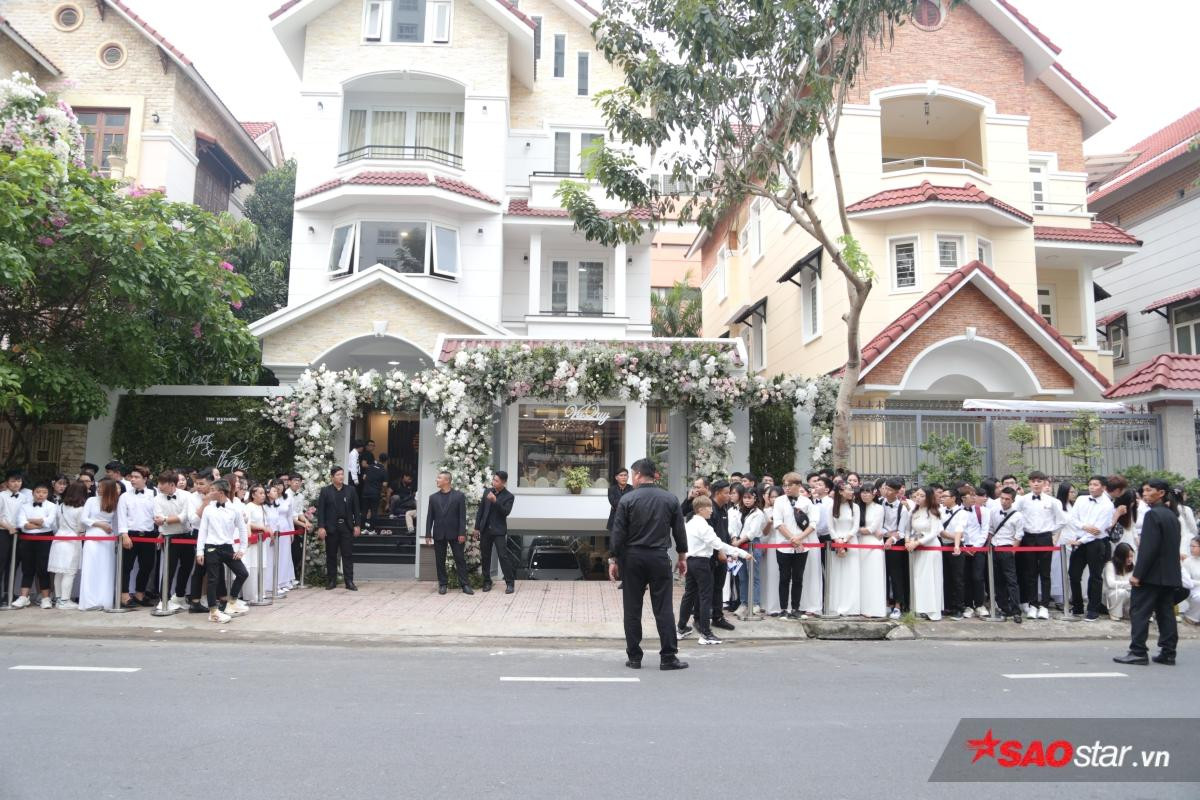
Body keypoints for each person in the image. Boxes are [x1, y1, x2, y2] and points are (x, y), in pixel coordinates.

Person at [609, 458, 689, 671]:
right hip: (659, 556)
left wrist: (614, 559)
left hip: (633, 557)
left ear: (636, 475)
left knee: (632, 608)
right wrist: (682, 556)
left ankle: (634, 657)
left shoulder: (627, 500)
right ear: (654, 475)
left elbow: (618, 534)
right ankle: (668, 656)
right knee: (663, 608)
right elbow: (679, 531)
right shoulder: (670, 499)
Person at [1114, 479, 1182, 666]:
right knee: (1165, 613)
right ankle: (1168, 652)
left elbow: (1149, 549)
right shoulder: (1171, 515)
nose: (1144, 494)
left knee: (1140, 612)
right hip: (1168, 574)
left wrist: (1138, 574)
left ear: (1161, 493)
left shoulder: (1154, 515)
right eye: (1143, 490)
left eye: (1148, 490)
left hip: (1152, 574)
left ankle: (1138, 651)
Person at [677, 495, 752, 645]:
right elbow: (719, 544)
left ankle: (681, 628)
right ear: (701, 509)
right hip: (702, 562)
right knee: (706, 597)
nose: (711, 511)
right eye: (709, 508)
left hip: (691, 561)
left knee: (689, 595)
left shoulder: (690, 523)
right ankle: (705, 633)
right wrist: (742, 553)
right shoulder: (704, 526)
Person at [194, 479, 250, 624]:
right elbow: (203, 531)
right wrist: (200, 551)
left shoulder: (234, 509)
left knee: (243, 573)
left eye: (212, 490)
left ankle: (231, 602)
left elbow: (242, 529)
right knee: (213, 580)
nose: (209, 492)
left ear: (221, 492)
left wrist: (242, 549)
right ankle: (213, 611)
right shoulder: (208, 509)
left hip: (227, 548)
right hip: (211, 547)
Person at [1016, 471, 1066, 620]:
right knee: (1030, 573)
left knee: (1045, 573)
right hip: (1028, 537)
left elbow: (1062, 520)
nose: (1036, 484)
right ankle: (1032, 605)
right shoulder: (1022, 500)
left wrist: (1051, 532)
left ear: (1045, 483)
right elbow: (1014, 516)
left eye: (1039, 481)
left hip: (1045, 537)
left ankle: (1044, 606)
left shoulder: (1053, 501)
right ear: (1029, 483)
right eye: (1033, 481)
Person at [1065, 476, 1116, 621]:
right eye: (1090, 484)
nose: (1092, 487)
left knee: (1095, 576)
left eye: (1095, 485)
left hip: (1096, 543)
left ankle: (1093, 609)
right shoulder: (1081, 499)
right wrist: (1085, 527)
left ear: (1103, 488)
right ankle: (1077, 606)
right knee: (1073, 574)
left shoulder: (1107, 505)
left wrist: (1081, 540)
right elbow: (1072, 519)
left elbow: (1099, 530)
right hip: (1079, 540)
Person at [771, 473, 816, 619]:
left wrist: (799, 539)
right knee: (784, 577)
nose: (787, 488)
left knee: (798, 577)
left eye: (790, 485)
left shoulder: (807, 502)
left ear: (798, 485)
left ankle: (796, 608)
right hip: (784, 546)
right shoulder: (779, 501)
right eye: (785, 485)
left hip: (802, 546)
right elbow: (778, 523)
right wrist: (792, 539)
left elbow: (813, 524)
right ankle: (784, 608)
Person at [115, 466, 157, 607]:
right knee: (126, 566)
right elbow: (121, 517)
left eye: (136, 477)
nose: (133, 479)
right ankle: (124, 596)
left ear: (145, 479)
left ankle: (140, 594)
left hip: (149, 535)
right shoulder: (125, 496)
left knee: (147, 566)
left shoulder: (154, 494)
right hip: (131, 534)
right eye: (131, 477)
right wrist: (124, 535)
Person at [425, 470, 471, 595]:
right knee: (440, 560)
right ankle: (443, 584)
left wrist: (462, 533)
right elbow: (430, 517)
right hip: (439, 533)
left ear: (447, 481)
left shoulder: (459, 496)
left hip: (456, 533)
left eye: (439, 478)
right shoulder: (433, 497)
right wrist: (428, 534)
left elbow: (462, 516)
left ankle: (465, 585)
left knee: (460, 559)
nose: (437, 480)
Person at [14, 482, 58, 608]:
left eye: (44, 492)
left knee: (43, 568)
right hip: (27, 539)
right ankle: (24, 597)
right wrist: (39, 522)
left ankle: (46, 598)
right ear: (33, 492)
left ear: (48, 494)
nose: (41, 495)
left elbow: (48, 523)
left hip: (45, 539)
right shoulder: (24, 506)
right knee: (27, 568)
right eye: (38, 492)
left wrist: (31, 520)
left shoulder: (52, 506)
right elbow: (22, 524)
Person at [77, 479, 120, 610]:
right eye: (98, 486)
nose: (98, 489)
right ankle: (89, 602)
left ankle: (105, 601)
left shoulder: (115, 502)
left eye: (101, 487)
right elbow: (84, 519)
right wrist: (100, 524)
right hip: (92, 535)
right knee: (90, 568)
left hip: (108, 538)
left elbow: (117, 522)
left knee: (105, 569)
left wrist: (116, 534)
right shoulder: (91, 501)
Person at [316, 466, 360, 591]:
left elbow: (356, 509)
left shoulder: (350, 490)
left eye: (342, 474)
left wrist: (357, 525)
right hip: (331, 527)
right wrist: (321, 527)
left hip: (346, 526)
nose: (341, 477)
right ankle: (332, 581)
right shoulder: (325, 491)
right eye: (338, 475)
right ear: (332, 477)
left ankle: (349, 581)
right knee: (331, 555)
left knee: (347, 554)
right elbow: (321, 511)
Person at [152, 470, 190, 613]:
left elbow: (185, 516)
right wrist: (167, 520)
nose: (159, 486)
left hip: (186, 535)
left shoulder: (186, 496)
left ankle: (180, 596)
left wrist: (167, 519)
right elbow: (158, 518)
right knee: (169, 568)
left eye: (162, 483)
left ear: (172, 484)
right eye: (159, 482)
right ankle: (164, 599)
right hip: (169, 537)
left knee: (186, 567)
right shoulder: (157, 499)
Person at [473, 470, 515, 593]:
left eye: (496, 481)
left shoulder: (509, 496)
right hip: (485, 529)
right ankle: (487, 581)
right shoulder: (487, 491)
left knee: (503, 556)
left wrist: (495, 501)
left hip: (499, 531)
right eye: (493, 479)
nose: (493, 482)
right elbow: (480, 511)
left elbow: (506, 512)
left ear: (503, 482)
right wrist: (477, 528)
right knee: (485, 556)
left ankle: (510, 583)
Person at [48, 480, 88, 608]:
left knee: (58, 572)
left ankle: (59, 599)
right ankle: (65, 601)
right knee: (69, 572)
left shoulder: (60, 506)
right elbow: (80, 528)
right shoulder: (81, 509)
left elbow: (57, 524)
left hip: (58, 538)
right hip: (72, 541)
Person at [906, 487, 944, 621]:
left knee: (931, 577)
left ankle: (933, 610)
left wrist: (918, 542)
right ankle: (920, 608)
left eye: (921, 496)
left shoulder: (934, 511)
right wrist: (908, 540)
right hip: (918, 548)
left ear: (928, 497)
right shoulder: (913, 511)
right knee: (919, 577)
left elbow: (934, 533)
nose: (918, 498)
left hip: (931, 547)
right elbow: (908, 529)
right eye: (916, 495)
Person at [989, 487, 1024, 623]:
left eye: (1007, 499)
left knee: (1011, 581)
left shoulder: (1018, 515)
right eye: (1002, 498)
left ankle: (1016, 611)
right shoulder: (993, 511)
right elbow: (991, 529)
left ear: (1013, 500)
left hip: (1007, 547)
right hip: (994, 547)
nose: (1004, 501)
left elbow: (1018, 536)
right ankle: (1004, 609)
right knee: (998, 581)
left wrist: (1013, 552)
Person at [731, 486, 766, 614]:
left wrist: (738, 542)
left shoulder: (759, 513)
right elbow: (733, 527)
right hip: (738, 544)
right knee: (742, 576)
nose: (746, 500)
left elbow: (752, 532)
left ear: (755, 498)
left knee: (754, 576)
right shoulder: (738, 511)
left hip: (752, 544)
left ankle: (756, 603)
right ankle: (744, 603)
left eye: (749, 498)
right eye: (745, 497)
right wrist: (734, 539)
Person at [880, 478, 911, 620]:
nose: (886, 492)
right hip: (879, 540)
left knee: (896, 574)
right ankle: (884, 602)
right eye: (885, 488)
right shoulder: (879, 503)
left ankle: (898, 605)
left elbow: (902, 531)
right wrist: (886, 534)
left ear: (897, 492)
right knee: (882, 573)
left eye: (890, 490)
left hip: (895, 544)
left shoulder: (902, 509)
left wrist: (892, 538)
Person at [828, 482, 860, 616]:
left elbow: (855, 527)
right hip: (837, 542)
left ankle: (851, 606)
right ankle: (835, 605)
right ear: (840, 492)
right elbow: (830, 527)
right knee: (837, 574)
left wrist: (845, 541)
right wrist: (837, 541)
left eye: (852, 489)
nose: (851, 492)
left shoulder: (855, 507)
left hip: (851, 541)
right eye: (848, 489)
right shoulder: (832, 507)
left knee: (851, 574)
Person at [707, 480, 735, 629]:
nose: (729, 495)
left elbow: (724, 533)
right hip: (711, 556)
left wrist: (730, 549)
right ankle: (701, 619)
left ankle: (717, 617)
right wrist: (720, 551)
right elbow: (711, 535)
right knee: (707, 589)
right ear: (717, 493)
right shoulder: (709, 509)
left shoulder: (724, 509)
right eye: (726, 493)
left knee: (718, 587)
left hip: (723, 554)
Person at [938, 486, 968, 620]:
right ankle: (948, 606)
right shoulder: (940, 510)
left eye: (945, 496)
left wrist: (957, 545)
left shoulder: (962, 513)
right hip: (942, 546)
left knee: (958, 578)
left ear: (954, 498)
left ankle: (959, 607)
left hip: (955, 547)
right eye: (941, 496)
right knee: (946, 577)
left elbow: (959, 530)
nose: (942, 498)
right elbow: (938, 529)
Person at [856, 485, 886, 618]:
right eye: (863, 492)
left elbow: (873, 528)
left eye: (868, 492)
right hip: (860, 543)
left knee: (874, 576)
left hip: (874, 544)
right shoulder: (857, 507)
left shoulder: (879, 508)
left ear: (874, 494)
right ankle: (861, 607)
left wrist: (860, 529)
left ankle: (875, 608)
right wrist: (861, 529)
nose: (865, 495)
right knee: (861, 576)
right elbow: (855, 527)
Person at [1103, 542, 1135, 622]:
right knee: (1121, 592)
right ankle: (1114, 613)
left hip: (1127, 593)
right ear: (1120, 557)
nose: (1130, 559)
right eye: (1127, 557)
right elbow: (1111, 584)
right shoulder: (1110, 565)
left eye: (1131, 556)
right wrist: (1129, 583)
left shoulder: (1132, 566)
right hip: (1112, 594)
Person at [361, 453, 388, 528]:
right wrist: (382, 492)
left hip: (366, 491)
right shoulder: (383, 470)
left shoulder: (370, 467)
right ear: (386, 461)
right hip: (375, 493)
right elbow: (385, 484)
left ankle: (362, 528)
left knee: (364, 511)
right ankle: (372, 529)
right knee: (374, 511)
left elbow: (364, 477)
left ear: (378, 458)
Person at [1179, 537, 1200, 625]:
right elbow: (1186, 581)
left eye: (1193, 546)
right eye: (1190, 546)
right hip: (1192, 590)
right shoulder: (1188, 562)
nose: (1191, 549)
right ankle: (1191, 616)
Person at [606, 468, 632, 533]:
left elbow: (633, 505)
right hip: (615, 521)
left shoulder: (633, 489)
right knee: (615, 542)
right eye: (621, 475)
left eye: (625, 475)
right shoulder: (611, 490)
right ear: (616, 477)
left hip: (629, 522)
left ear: (628, 477)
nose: (623, 477)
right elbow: (615, 504)